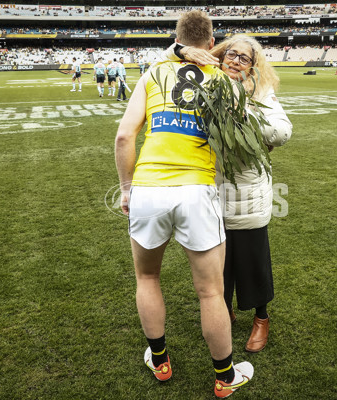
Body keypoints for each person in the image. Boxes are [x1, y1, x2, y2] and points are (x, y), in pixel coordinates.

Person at [115, 11, 253, 399]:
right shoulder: (223, 80)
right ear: (212, 45)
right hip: (196, 188)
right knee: (210, 292)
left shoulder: (153, 71)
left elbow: (125, 137)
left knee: (147, 278)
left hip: (149, 186)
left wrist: (127, 189)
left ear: (176, 39)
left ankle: (160, 361)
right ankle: (224, 378)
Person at [167, 34, 293, 353]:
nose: (235, 61)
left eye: (244, 58)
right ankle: (223, 312)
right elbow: (166, 62)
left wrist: (242, 111)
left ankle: (261, 318)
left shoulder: (259, 92)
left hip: (248, 196)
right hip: (209, 194)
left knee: (253, 263)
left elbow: (281, 132)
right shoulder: (208, 83)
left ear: (253, 66)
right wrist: (181, 49)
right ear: (221, 56)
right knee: (216, 267)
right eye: (231, 54)